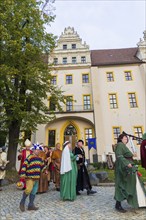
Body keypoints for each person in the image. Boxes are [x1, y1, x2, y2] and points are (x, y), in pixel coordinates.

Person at [114, 133, 146, 213]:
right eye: (125, 138)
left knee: (132, 184)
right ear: (121, 139)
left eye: (126, 139)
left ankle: (140, 201)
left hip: (128, 168)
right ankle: (118, 205)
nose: (126, 140)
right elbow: (119, 156)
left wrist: (132, 155)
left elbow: (126, 155)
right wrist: (126, 163)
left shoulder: (123, 146)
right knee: (121, 185)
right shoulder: (120, 145)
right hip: (123, 168)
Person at [19, 143, 47, 212]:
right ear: (33, 150)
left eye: (38, 150)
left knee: (34, 191)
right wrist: (22, 174)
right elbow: (24, 165)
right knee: (28, 189)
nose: (37, 151)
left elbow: (42, 166)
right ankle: (22, 202)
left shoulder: (40, 159)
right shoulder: (29, 157)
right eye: (36, 150)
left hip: (37, 177)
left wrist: (45, 171)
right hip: (29, 177)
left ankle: (30, 205)